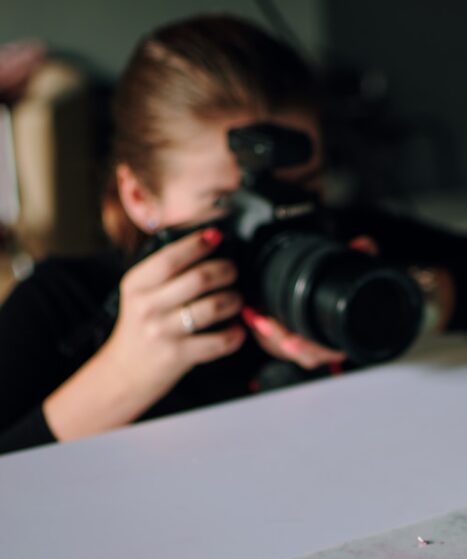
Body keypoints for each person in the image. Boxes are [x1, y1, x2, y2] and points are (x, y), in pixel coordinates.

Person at [0, 15, 412, 454]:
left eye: (305, 186)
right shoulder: (61, 301)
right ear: (140, 196)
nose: (274, 222)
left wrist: (404, 303)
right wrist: (121, 376)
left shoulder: (345, 245)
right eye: (227, 204)